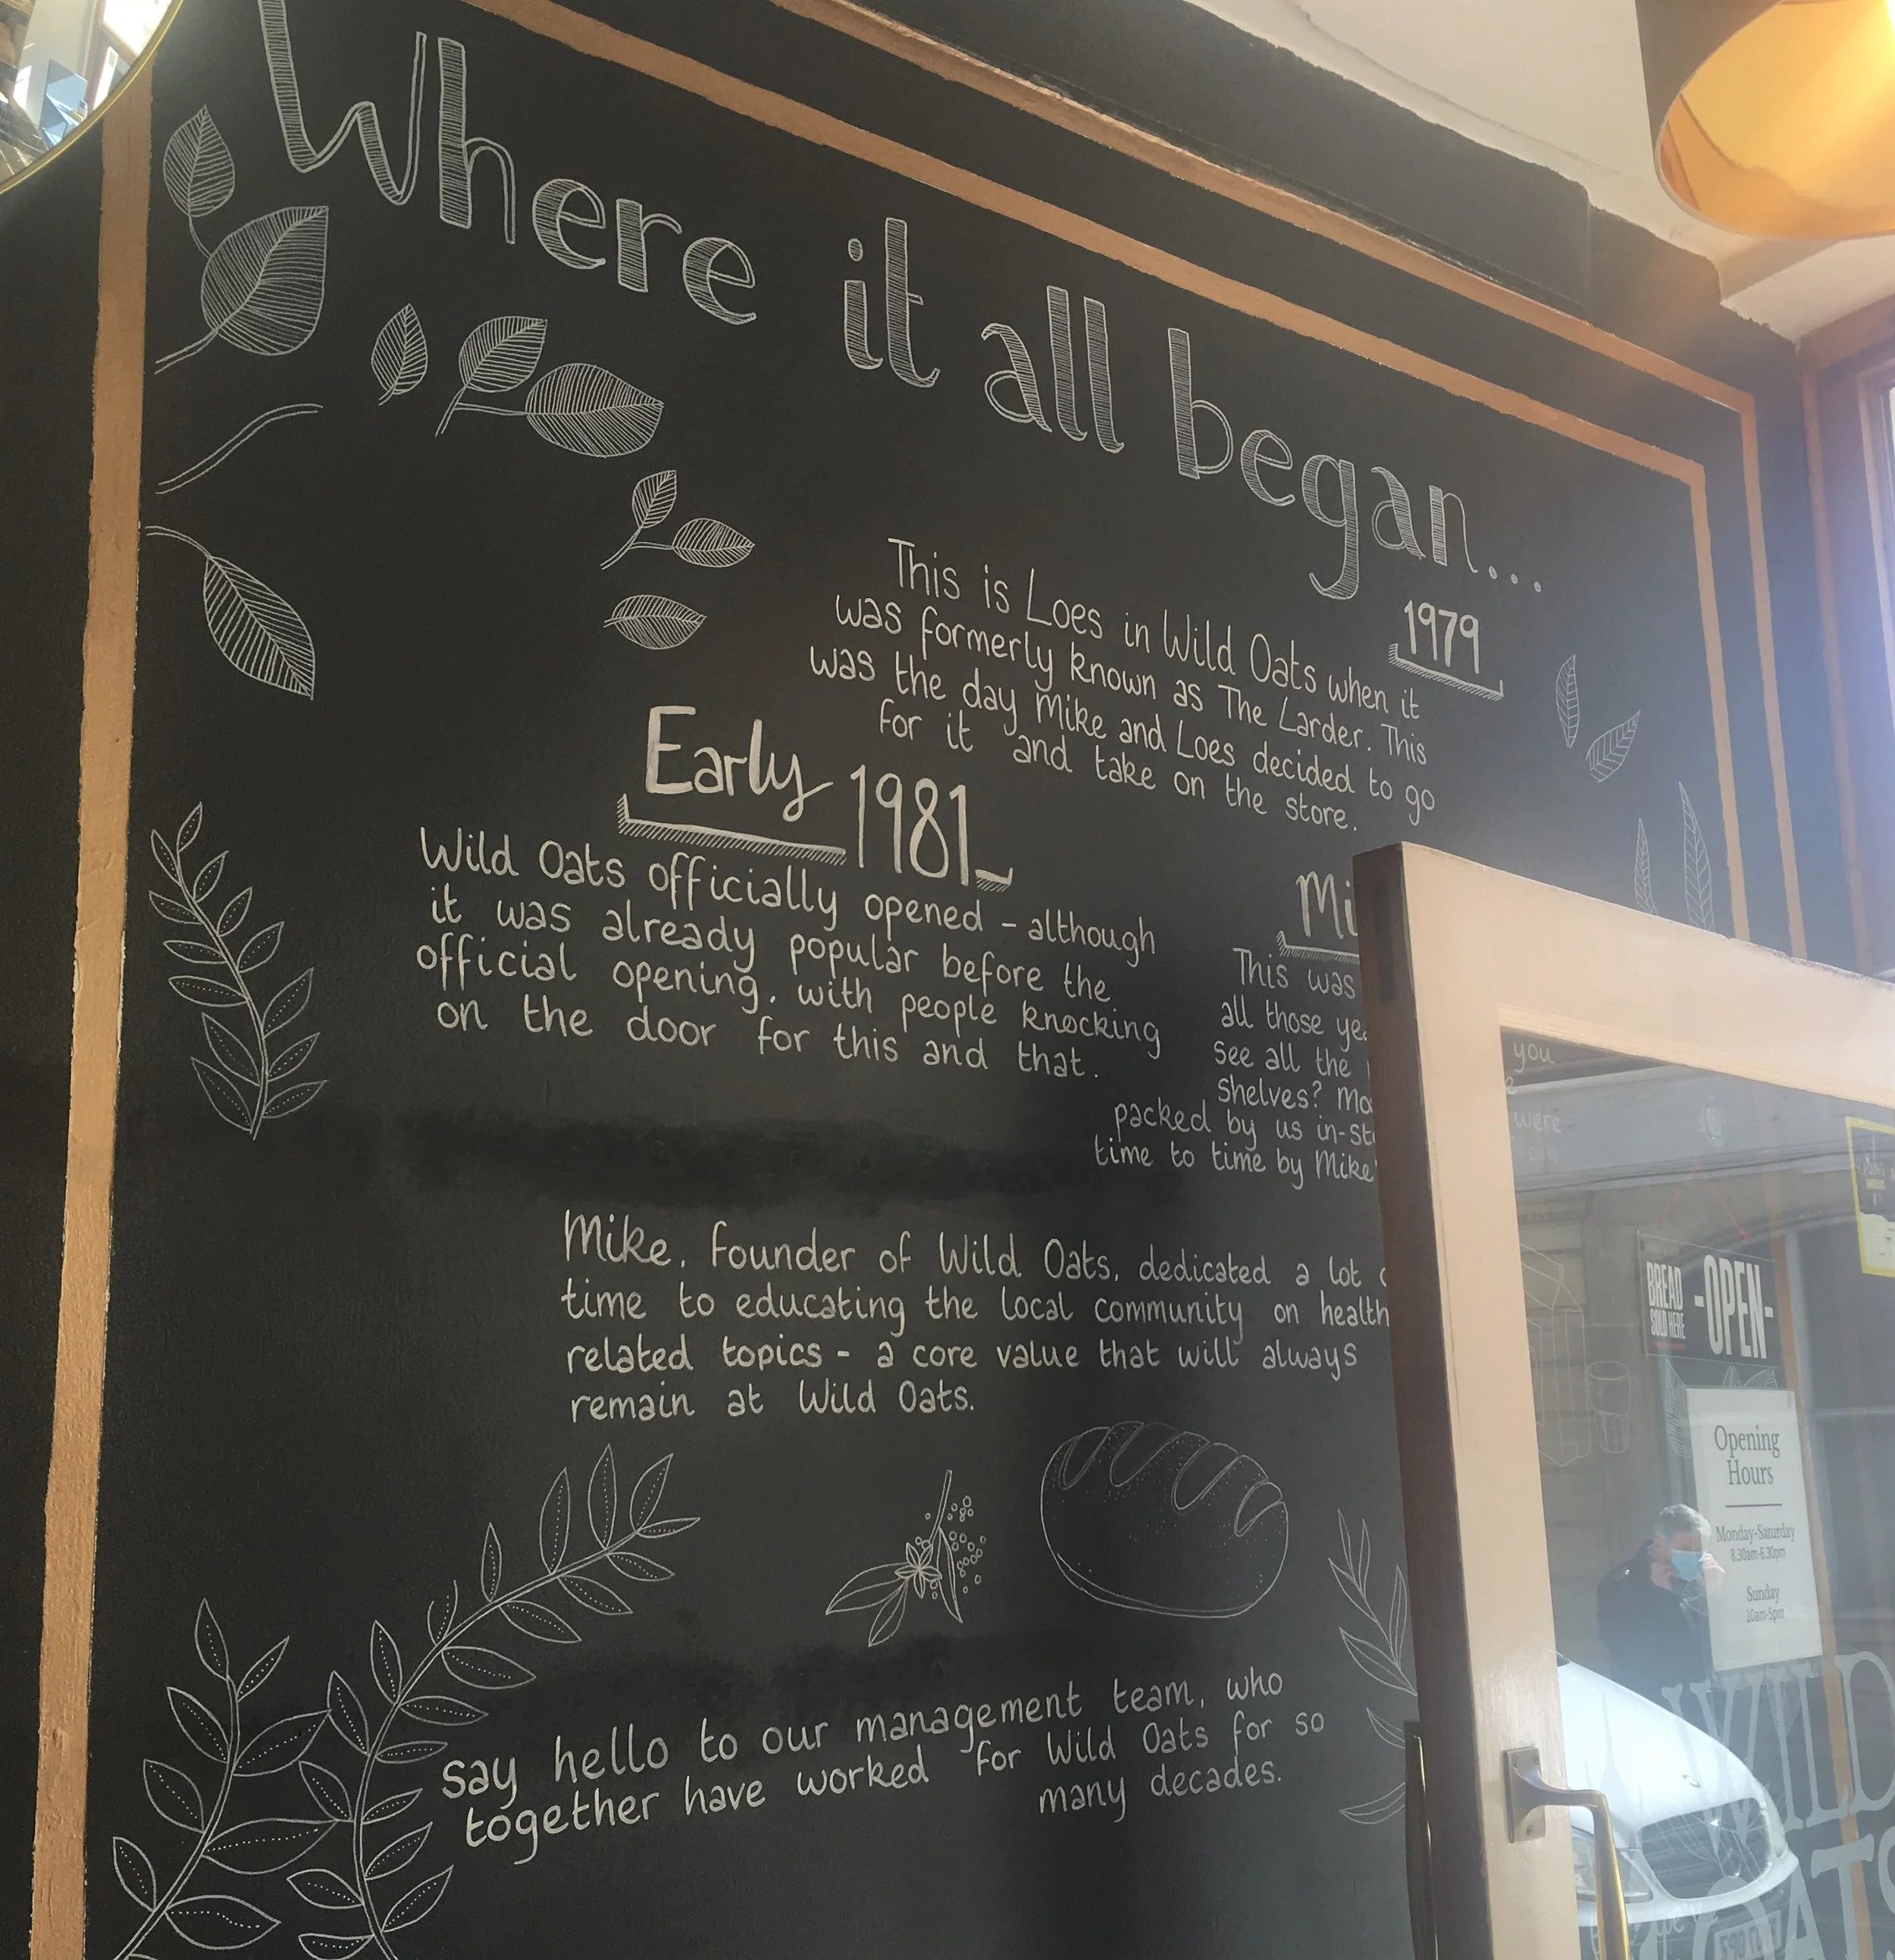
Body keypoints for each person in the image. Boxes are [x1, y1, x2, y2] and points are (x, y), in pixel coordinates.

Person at [1597, 1503, 1721, 1711]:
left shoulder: (1701, 1580)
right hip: (1653, 1709)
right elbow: (1633, 1655)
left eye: (1699, 1551)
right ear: (1658, 1546)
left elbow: (1736, 1651)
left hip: (1706, 1708)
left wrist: (1718, 1600)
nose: (1693, 1557)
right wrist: (1661, 1595)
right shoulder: (1620, 1585)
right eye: (1685, 1550)